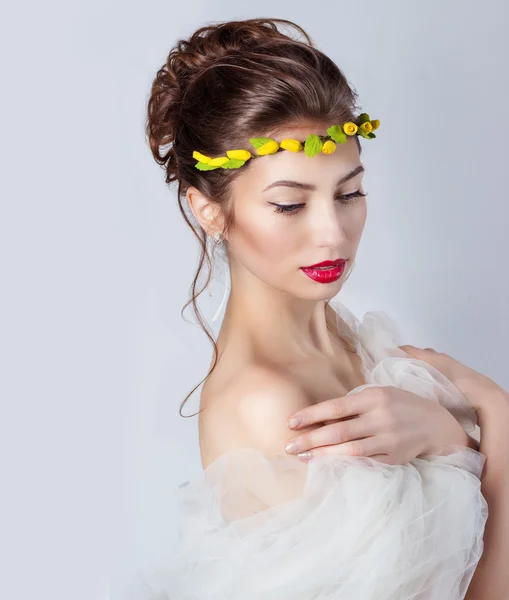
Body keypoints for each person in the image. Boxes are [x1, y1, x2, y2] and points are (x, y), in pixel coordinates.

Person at [129, 17, 509, 600]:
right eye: (289, 205)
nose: (333, 234)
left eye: (349, 193)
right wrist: (484, 426)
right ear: (210, 211)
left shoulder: (362, 345)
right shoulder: (268, 407)